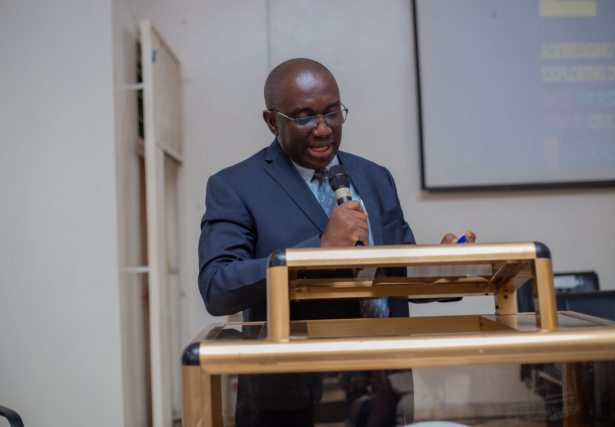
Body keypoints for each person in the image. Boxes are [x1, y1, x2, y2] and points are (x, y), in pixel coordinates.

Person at [198, 58, 476, 426]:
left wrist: (442, 265)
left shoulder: (375, 176)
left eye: (332, 113)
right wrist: (320, 250)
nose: (323, 129)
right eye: (305, 118)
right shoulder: (235, 186)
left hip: (385, 382)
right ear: (272, 121)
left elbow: (396, 276)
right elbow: (217, 287)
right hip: (290, 396)